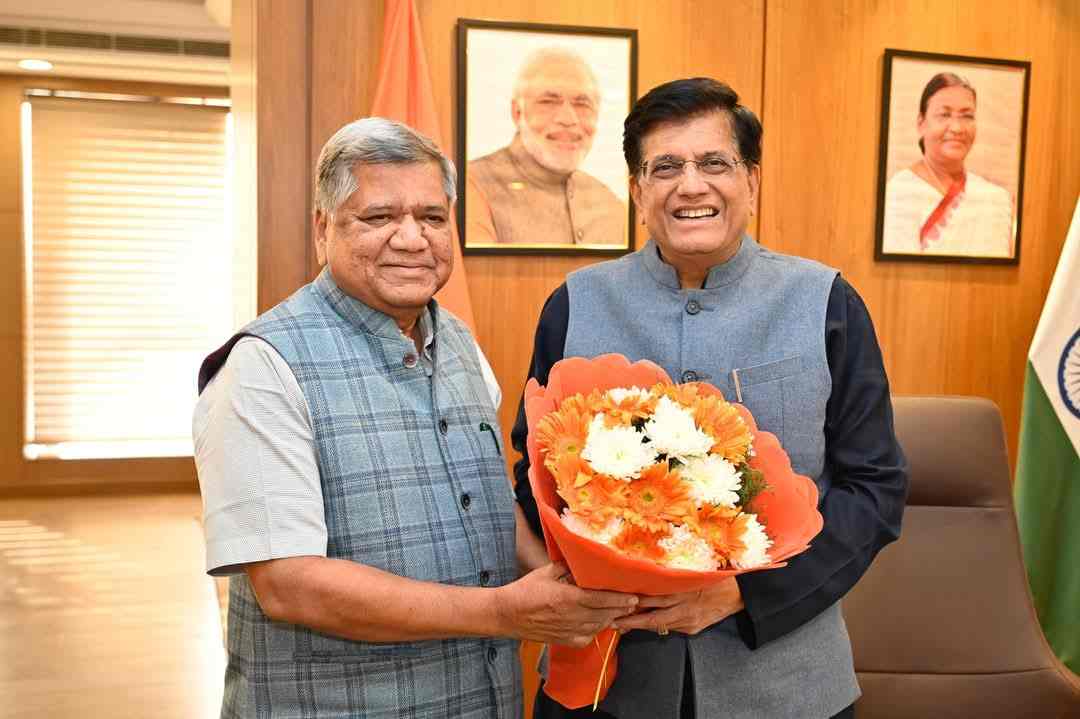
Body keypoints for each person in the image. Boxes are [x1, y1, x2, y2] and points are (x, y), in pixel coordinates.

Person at [192, 117, 639, 719]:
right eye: (378, 217)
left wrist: (571, 589)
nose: (411, 238)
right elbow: (288, 584)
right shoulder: (261, 367)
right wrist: (505, 613)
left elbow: (484, 503)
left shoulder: (458, 343)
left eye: (432, 217)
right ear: (323, 230)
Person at [511, 78, 909, 718]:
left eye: (714, 163)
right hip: (607, 681)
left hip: (785, 687)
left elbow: (874, 489)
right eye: (665, 167)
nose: (690, 186)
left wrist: (742, 596)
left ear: (751, 180)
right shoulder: (574, 305)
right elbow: (534, 477)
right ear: (638, 191)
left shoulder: (826, 303)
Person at [466, 47, 626, 246]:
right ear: (517, 112)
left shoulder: (611, 205)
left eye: (582, 104)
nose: (568, 119)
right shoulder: (473, 185)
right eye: (548, 102)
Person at [882, 72, 1014, 257]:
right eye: (944, 115)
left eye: (967, 116)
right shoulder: (899, 192)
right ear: (921, 124)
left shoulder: (994, 199)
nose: (957, 128)